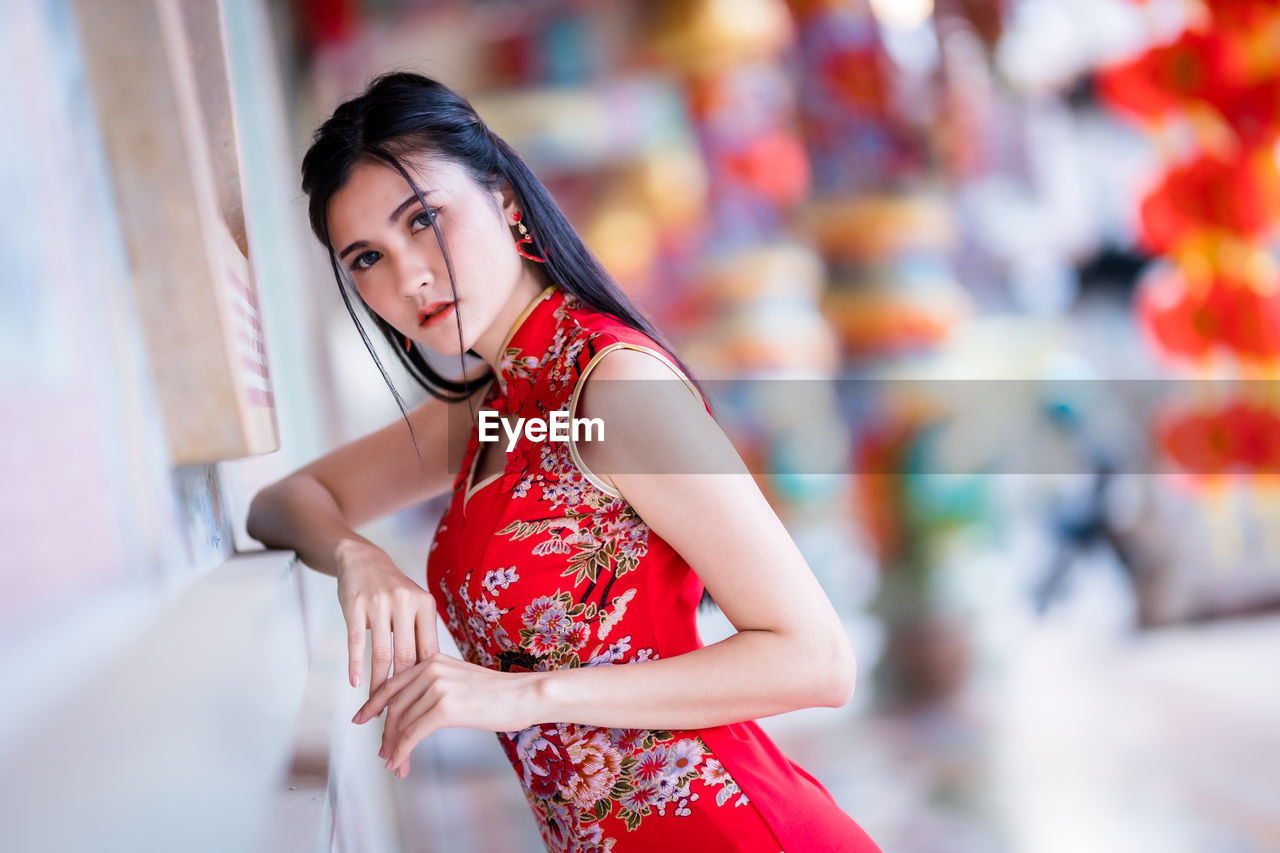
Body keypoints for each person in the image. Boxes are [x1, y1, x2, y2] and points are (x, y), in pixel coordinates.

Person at [246, 71, 881, 853]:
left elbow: (816, 659)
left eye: (424, 220)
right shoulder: (495, 411)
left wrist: (523, 696)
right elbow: (281, 501)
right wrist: (359, 559)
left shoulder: (610, 385)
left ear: (506, 203)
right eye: (367, 257)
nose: (407, 275)